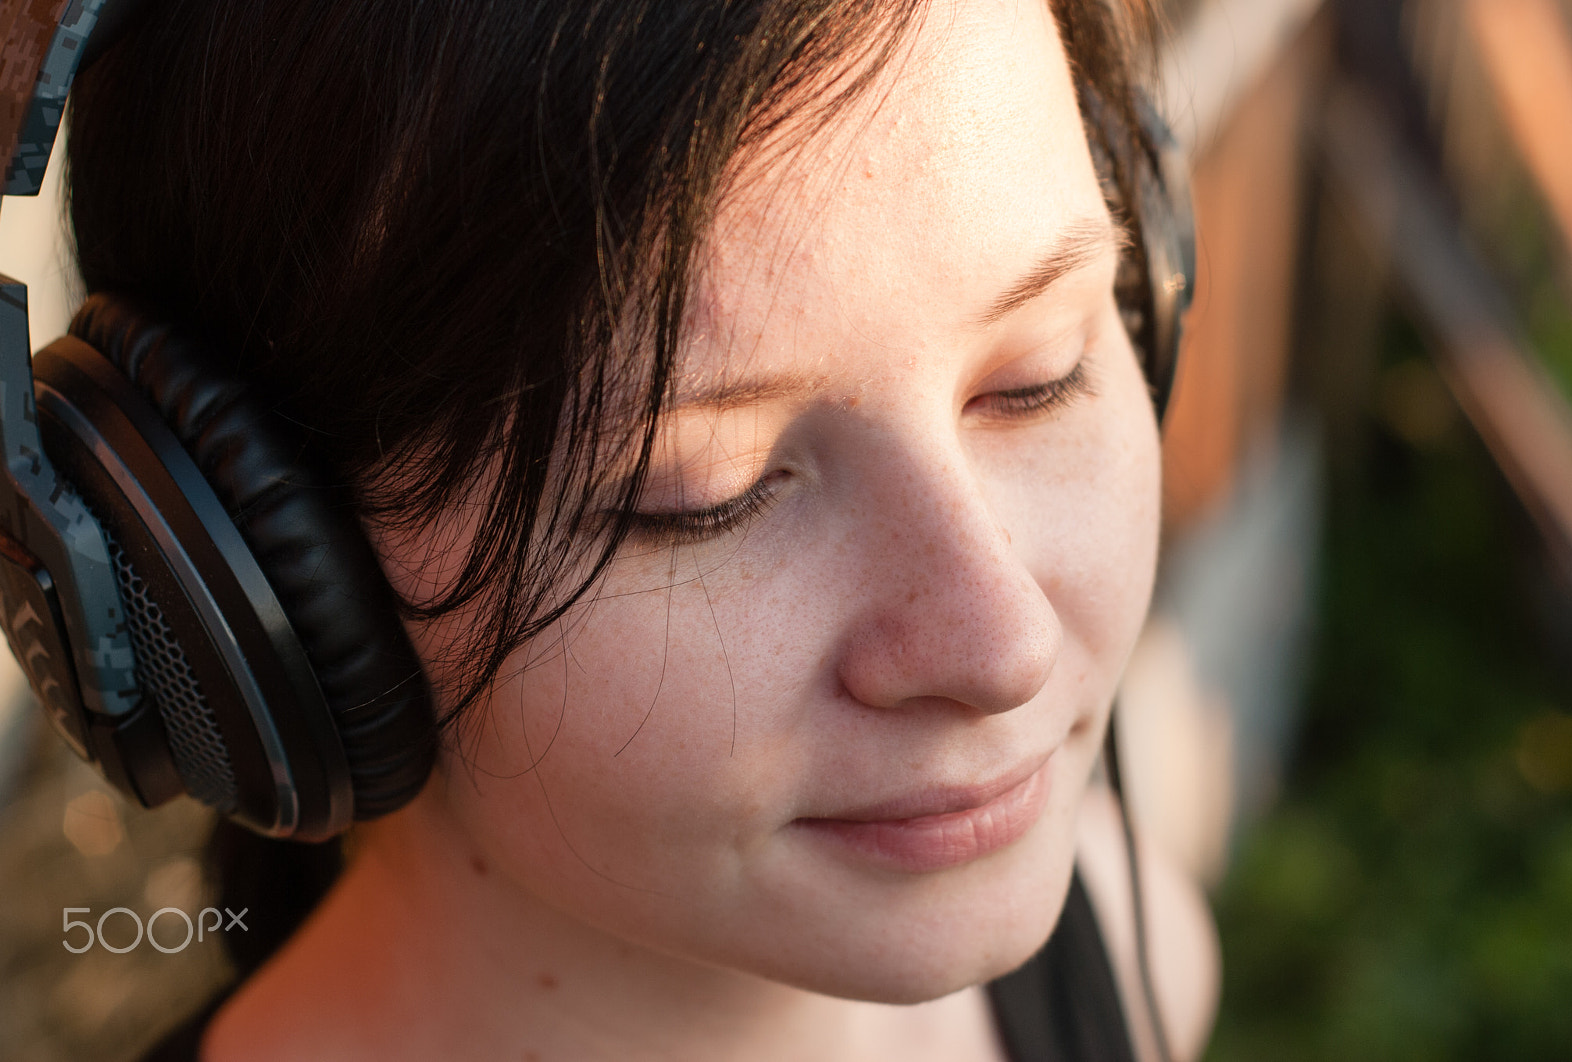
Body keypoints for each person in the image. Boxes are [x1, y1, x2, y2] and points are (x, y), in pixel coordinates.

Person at [52, 0, 1220, 1058]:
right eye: (709, 493)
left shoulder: (1131, 940)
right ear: (237, 591)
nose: (1001, 647)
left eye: (1040, 376)